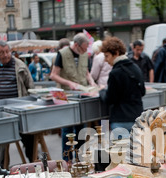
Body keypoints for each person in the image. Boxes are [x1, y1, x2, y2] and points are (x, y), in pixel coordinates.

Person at [50, 33, 97, 162]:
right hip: (67, 97)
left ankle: (81, 160)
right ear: (76, 45)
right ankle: (67, 161)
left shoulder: (84, 54)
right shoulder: (62, 54)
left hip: (82, 95)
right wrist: (69, 83)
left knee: (82, 129)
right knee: (67, 130)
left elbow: (86, 72)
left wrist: (92, 82)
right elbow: (53, 75)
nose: (84, 51)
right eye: (83, 49)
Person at [0, 41, 35, 163]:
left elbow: (30, 86)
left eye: (7, 52)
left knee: (27, 139)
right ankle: (1, 168)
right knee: (1, 142)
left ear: (10, 51)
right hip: (2, 111)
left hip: (20, 109)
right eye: (2, 52)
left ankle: (32, 164)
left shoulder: (20, 65)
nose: (5, 55)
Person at [99, 36, 145, 136]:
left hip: (120, 119)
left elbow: (110, 99)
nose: (106, 60)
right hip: (137, 118)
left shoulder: (115, 73)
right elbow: (143, 91)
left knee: (121, 151)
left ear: (116, 53)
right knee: (137, 150)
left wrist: (102, 91)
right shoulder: (136, 67)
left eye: (107, 56)